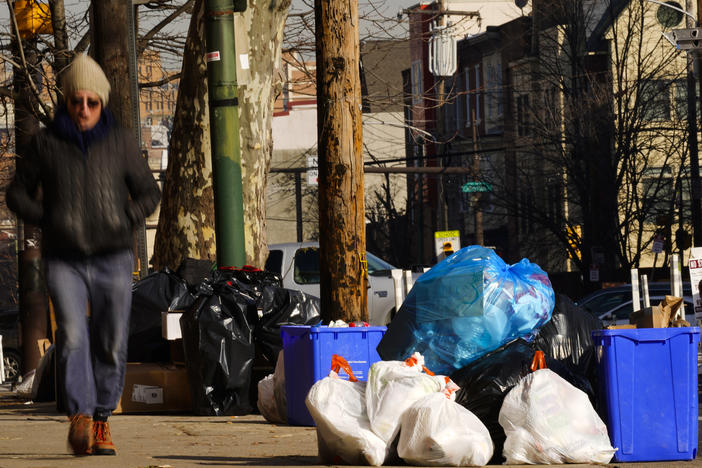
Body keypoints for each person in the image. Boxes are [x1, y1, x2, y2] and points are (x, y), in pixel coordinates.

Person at [6, 54, 161, 456]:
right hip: (64, 258)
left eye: (92, 102)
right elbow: (16, 193)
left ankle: (102, 418)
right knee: (73, 335)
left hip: (113, 256)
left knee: (111, 340)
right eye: (77, 101)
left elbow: (149, 193)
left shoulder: (122, 142)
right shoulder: (45, 143)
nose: (84, 110)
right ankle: (79, 416)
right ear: (67, 101)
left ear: (102, 102)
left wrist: (126, 214)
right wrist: (45, 218)